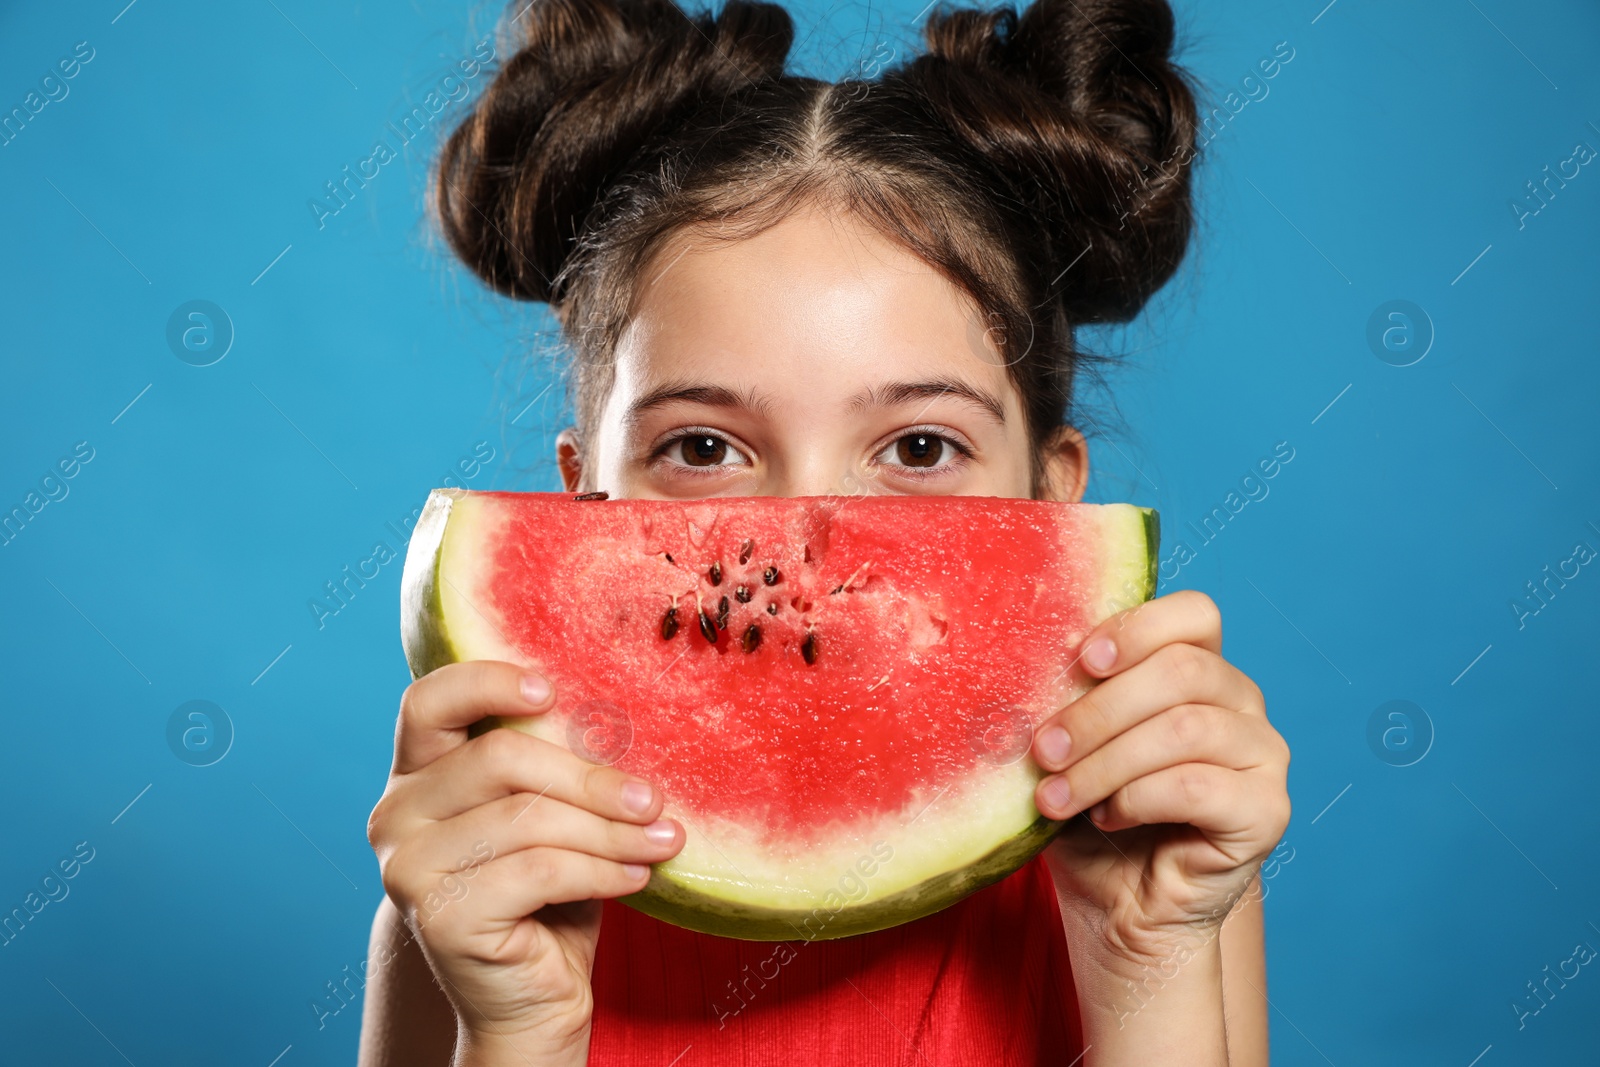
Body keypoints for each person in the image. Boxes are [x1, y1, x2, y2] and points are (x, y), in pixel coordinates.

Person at [361, 0, 1292, 1061]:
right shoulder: (474, 887)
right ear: (582, 498)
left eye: (920, 447)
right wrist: (516, 1027)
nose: (812, 541)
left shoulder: (1160, 861)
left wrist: (1146, 964)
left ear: (1052, 492)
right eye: (704, 448)